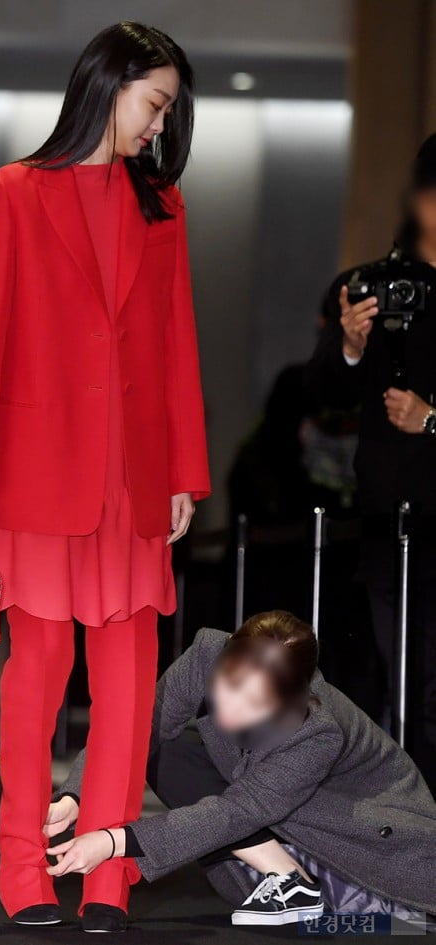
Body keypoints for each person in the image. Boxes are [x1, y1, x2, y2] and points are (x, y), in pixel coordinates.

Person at [0, 21, 210, 932]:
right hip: (32, 466)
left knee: (130, 679)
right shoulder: (13, 191)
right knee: (40, 672)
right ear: (110, 82)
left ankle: (108, 872)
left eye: (169, 111)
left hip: (132, 475)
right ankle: (23, 867)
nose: (159, 124)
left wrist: (184, 472)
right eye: (155, 102)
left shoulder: (162, 207)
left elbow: (177, 346)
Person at [46, 611, 436, 927]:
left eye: (256, 703)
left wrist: (114, 842)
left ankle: (302, 886)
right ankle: (287, 879)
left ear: (290, 698)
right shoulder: (206, 654)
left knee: (369, 919)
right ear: (224, 657)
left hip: (363, 844)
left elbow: (239, 811)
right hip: (283, 826)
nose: (233, 708)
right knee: (168, 751)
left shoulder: (317, 729)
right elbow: (136, 730)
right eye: (229, 687)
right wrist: (75, 794)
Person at [304, 133, 436, 791]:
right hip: (389, 523)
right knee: (404, 683)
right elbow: (321, 391)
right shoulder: (372, 285)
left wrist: (433, 419)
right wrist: (351, 345)